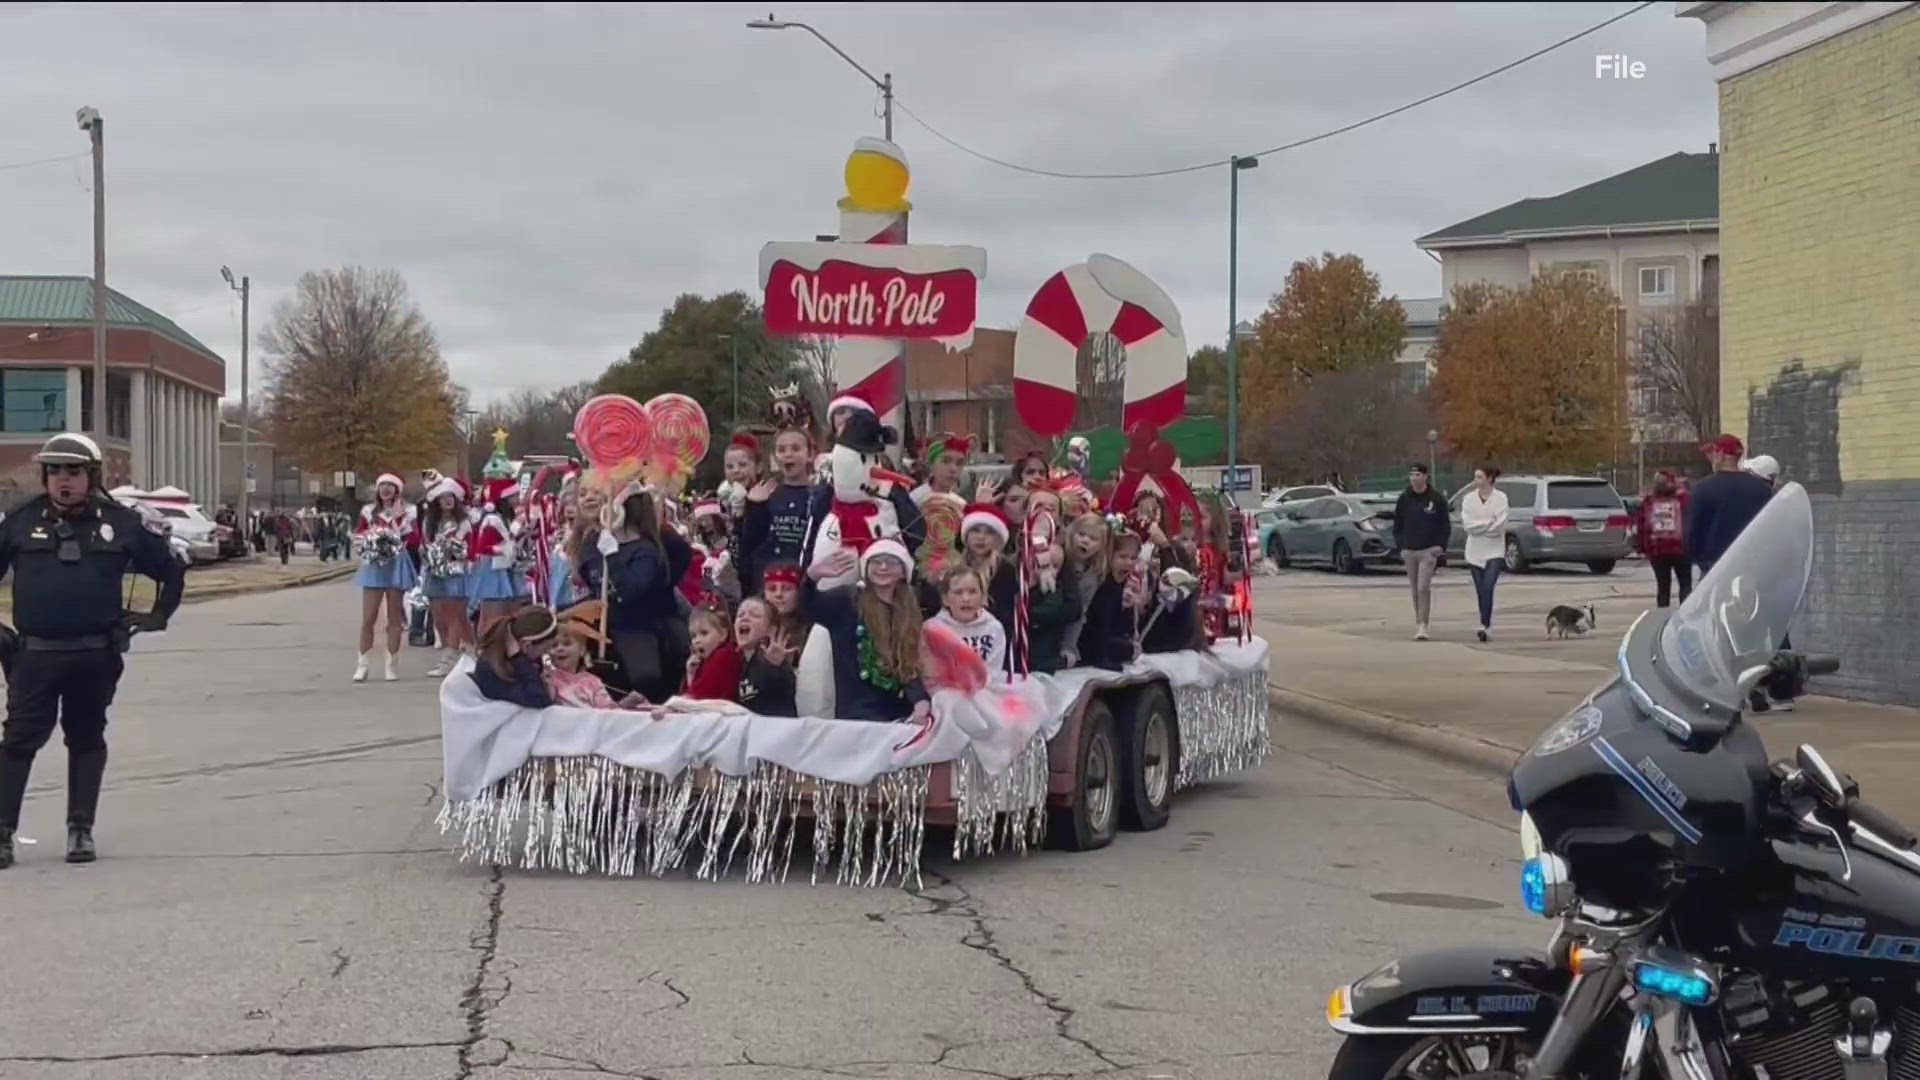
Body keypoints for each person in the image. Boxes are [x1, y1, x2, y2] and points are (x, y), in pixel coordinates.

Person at [0, 433, 185, 869]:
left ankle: (80, 829)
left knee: (85, 738)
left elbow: (170, 570)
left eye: (74, 471)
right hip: (35, 656)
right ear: (45, 476)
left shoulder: (120, 522)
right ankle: (3, 833)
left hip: (94, 654)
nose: (64, 480)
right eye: (56, 471)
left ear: (92, 476)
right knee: (18, 742)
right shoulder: (20, 520)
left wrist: (155, 616)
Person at [578, 485, 694, 703]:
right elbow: (589, 575)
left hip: (636, 625)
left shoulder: (646, 551)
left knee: (644, 677)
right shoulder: (596, 543)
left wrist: (613, 557)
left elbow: (632, 589)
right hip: (605, 623)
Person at [802, 536, 929, 722]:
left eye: (891, 562)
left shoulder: (910, 610)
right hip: (857, 715)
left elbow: (910, 664)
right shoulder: (848, 600)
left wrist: (920, 701)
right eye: (876, 561)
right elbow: (808, 607)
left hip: (899, 715)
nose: (883, 567)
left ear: (904, 571)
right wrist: (811, 578)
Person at [353, 473, 420, 682]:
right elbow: (359, 534)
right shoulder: (368, 511)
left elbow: (414, 538)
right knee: (369, 617)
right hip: (374, 564)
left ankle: (391, 663)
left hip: (396, 564)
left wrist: (399, 521)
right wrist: (368, 543)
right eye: (383, 486)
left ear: (397, 490)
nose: (386, 490)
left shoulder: (409, 511)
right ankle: (362, 664)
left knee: (394, 618)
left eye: (391, 486)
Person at [1686, 434, 1775, 577]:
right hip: (1750, 566)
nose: (1710, 459)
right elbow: (1769, 529)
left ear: (1721, 454)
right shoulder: (1761, 489)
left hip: (1715, 567)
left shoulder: (1703, 488)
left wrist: (1700, 561)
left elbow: (1693, 532)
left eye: (1712, 454)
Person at [419, 476, 474, 676]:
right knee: (440, 617)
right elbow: (423, 545)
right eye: (443, 498)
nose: (447, 501)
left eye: (450, 497)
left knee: (455, 616)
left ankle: (449, 660)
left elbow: (468, 548)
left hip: (457, 573)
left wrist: (455, 549)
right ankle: (472, 651)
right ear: (437, 502)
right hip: (434, 573)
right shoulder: (429, 523)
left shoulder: (465, 522)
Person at [1392, 463, 1450, 641]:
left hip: (1428, 551)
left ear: (1425, 477)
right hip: (1409, 550)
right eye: (1411, 475)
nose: (1414, 478)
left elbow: (1444, 525)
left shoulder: (1436, 499)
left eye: (1417, 475)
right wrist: (1401, 547)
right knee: (1415, 589)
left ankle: (1424, 624)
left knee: (1423, 587)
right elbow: (1398, 525)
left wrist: (1440, 546)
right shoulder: (1404, 498)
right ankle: (1419, 622)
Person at [469, 606, 559, 709]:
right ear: (527, 645)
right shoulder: (492, 669)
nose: (546, 654)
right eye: (544, 649)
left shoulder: (527, 657)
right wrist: (518, 658)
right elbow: (539, 700)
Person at [928, 565, 1008, 679]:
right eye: (958, 592)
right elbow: (933, 671)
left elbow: (994, 671)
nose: (966, 599)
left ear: (983, 596)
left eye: (972, 592)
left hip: (986, 689)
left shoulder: (994, 628)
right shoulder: (933, 629)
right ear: (945, 599)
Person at [1458, 465, 1509, 642]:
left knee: (1488, 586)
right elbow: (1468, 525)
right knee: (1480, 589)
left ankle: (1486, 625)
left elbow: (1500, 525)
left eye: (1480, 477)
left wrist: (1484, 526)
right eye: (1475, 477)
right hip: (1474, 550)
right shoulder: (1468, 499)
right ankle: (1484, 623)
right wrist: (1487, 523)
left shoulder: (1500, 498)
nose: (1476, 481)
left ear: (1489, 478)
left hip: (1494, 550)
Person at [733, 597, 797, 717]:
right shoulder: (736, 664)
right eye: (740, 614)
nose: (744, 617)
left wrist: (778, 666)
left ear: (770, 629)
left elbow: (787, 691)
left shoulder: (771, 661)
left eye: (755, 615)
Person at [1636, 470, 1691, 609]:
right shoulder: (1683, 499)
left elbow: (1642, 527)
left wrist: (1642, 548)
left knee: (1663, 586)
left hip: (1657, 550)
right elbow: (1692, 521)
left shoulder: (1649, 502)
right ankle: (1686, 614)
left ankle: (1662, 617)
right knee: (1685, 584)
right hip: (1681, 549)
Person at [681, 600, 743, 702]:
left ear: (723, 634)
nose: (697, 640)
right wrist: (691, 674)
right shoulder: (704, 662)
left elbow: (695, 698)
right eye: (693, 636)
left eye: (704, 633)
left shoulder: (725, 654)